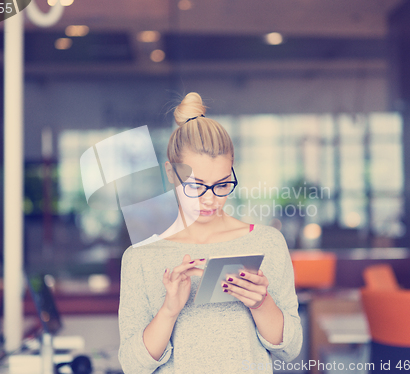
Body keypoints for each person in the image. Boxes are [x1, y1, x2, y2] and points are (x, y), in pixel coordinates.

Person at [118, 92, 302, 374]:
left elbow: (291, 349)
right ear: (170, 172)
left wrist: (261, 303)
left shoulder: (266, 243)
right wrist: (169, 311)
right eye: (195, 185)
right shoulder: (140, 258)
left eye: (222, 184)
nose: (209, 199)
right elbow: (132, 366)